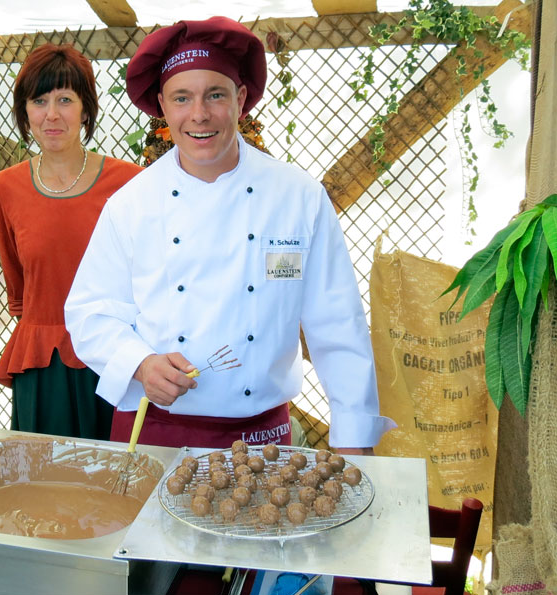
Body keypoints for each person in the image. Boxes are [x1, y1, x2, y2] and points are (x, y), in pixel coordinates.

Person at [64, 17, 395, 453]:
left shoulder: (298, 197)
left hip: (261, 437)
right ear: (162, 105)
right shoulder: (131, 204)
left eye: (215, 95)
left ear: (240, 99)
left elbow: (337, 323)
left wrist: (354, 436)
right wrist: (140, 364)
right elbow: (90, 312)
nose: (199, 114)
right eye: (182, 98)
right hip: (155, 429)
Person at [0, 43, 143, 440]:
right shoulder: (4, 188)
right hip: (43, 367)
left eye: (65, 100)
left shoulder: (131, 183)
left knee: (116, 471)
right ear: (25, 111)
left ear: (86, 109)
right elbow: (19, 290)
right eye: (39, 101)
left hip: (114, 359)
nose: (51, 114)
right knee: (44, 472)